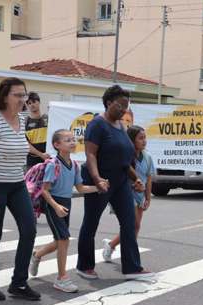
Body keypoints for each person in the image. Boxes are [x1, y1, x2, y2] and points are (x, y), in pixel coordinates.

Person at [76, 85, 153, 279]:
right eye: (120, 105)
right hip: (101, 182)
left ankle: (132, 267)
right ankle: (84, 266)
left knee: (129, 223)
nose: (124, 110)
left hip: (121, 183)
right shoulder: (97, 124)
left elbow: (124, 160)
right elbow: (91, 154)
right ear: (109, 102)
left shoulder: (122, 126)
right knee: (90, 223)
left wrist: (136, 179)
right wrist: (97, 179)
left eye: (126, 106)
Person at [0, 77, 40, 301]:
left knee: (29, 229)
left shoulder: (21, 120)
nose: (23, 99)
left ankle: (19, 283)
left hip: (17, 184)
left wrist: (42, 156)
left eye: (24, 95)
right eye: (17, 95)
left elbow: (21, 146)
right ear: (4, 96)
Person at [29, 130, 98, 292]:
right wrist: (56, 206)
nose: (72, 142)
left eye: (73, 139)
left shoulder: (74, 165)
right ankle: (61, 278)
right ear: (57, 145)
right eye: (68, 140)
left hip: (66, 203)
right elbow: (45, 191)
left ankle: (37, 255)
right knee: (64, 239)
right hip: (53, 204)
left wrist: (99, 188)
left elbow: (80, 188)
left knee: (59, 240)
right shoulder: (53, 165)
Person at [103, 125, 154, 262]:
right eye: (140, 138)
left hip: (140, 196)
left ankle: (112, 245)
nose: (144, 141)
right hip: (126, 195)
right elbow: (121, 177)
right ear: (132, 140)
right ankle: (130, 257)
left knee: (135, 226)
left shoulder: (148, 157)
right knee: (131, 225)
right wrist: (133, 185)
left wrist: (148, 197)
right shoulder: (125, 157)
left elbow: (149, 178)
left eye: (145, 138)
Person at [24, 92, 50, 168]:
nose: (32, 105)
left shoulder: (48, 119)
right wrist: (41, 155)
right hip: (32, 161)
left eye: (34, 102)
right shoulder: (25, 122)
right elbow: (26, 144)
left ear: (39, 102)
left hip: (48, 159)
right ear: (27, 105)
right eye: (29, 103)